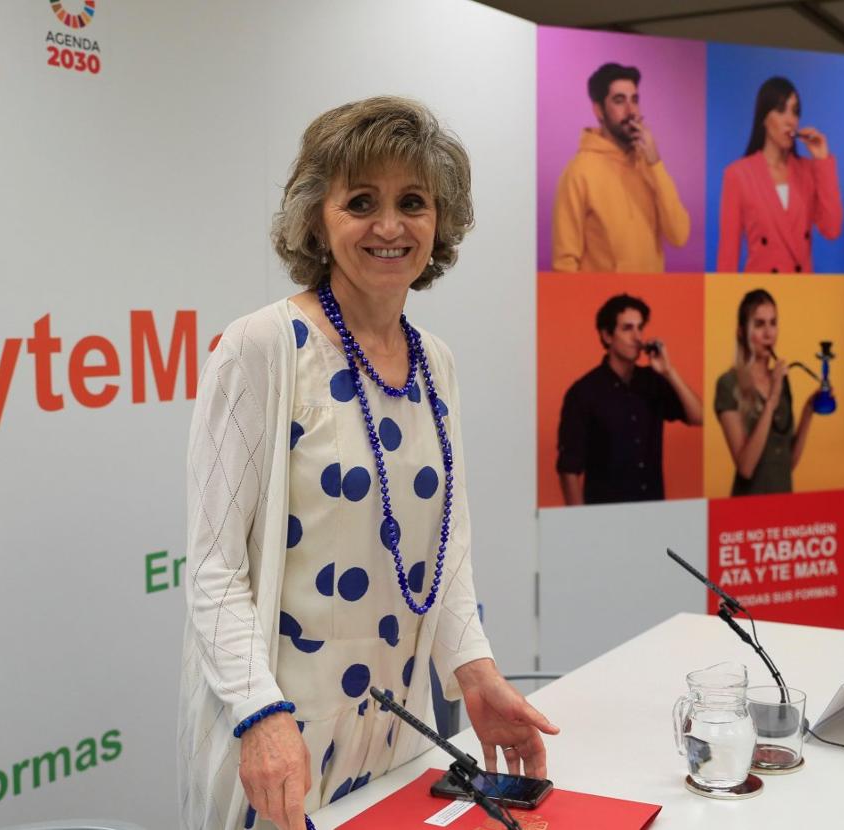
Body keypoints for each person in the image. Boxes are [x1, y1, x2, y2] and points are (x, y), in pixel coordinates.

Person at [178, 97, 559, 830]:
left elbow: (445, 551)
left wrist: (474, 673)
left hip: (396, 732)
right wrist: (260, 718)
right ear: (317, 219)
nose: (390, 226)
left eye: (412, 202)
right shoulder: (262, 349)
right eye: (361, 201)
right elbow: (214, 569)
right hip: (278, 739)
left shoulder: (434, 362)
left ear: (439, 222)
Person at [557, 293, 703, 505]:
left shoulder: (653, 381)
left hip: (652, 511)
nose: (637, 337)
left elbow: (699, 417)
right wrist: (580, 524)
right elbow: (568, 469)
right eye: (627, 328)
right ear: (607, 336)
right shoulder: (583, 393)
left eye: (640, 328)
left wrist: (669, 371)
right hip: (606, 517)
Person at [551, 62, 690, 273]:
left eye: (635, 100)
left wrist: (655, 164)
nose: (631, 110)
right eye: (619, 101)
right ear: (598, 110)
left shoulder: (649, 166)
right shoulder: (578, 172)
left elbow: (679, 236)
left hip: (653, 301)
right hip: (604, 303)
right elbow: (564, 264)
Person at [717, 77, 843, 274]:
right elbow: (728, 256)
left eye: (795, 111)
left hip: (802, 295)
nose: (790, 120)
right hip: (761, 297)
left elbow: (832, 229)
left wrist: (822, 160)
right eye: (781, 110)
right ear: (764, 118)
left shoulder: (809, 170)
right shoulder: (737, 175)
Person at [713, 289, 817, 496]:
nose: (769, 334)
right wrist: (771, 401)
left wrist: (809, 410)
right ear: (741, 332)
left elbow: (787, 464)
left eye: (773, 323)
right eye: (759, 325)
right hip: (748, 510)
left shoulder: (781, 381)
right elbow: (746, 467)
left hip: (783, 507)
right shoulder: (728, 384)